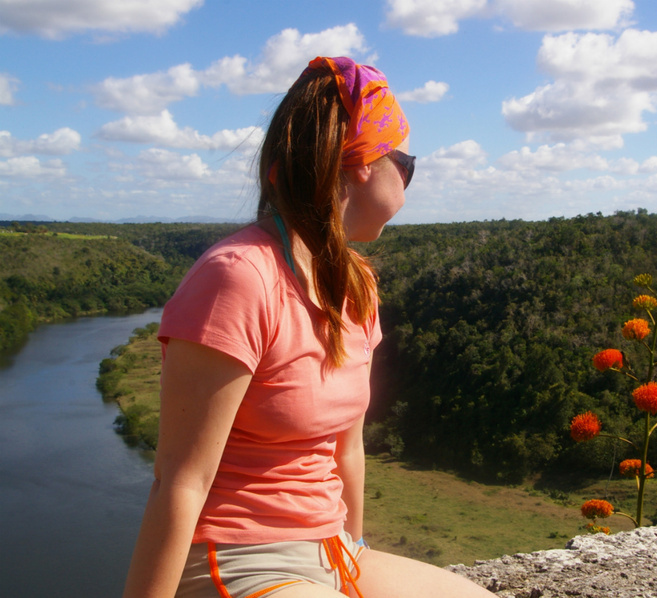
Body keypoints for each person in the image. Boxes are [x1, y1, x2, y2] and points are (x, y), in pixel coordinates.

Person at [122, 56, 494, 598]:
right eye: (407, 165)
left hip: (331, 550)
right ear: (364, 162)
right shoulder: (239, 278)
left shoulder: (355, 284)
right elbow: (180, 481)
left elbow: (346, 448)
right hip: (235, 559)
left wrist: (356, 552)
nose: (408, 185)